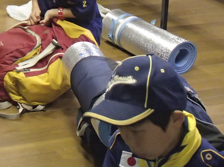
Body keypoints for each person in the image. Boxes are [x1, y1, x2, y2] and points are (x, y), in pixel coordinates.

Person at [84, 55, 224, 166]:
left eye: (136, 131)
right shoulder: (119, 145)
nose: (129, 141)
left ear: (176, 120)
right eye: (121, 127)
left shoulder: (208, 162)